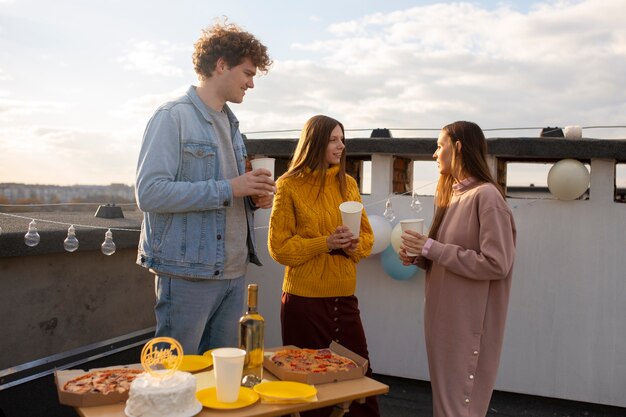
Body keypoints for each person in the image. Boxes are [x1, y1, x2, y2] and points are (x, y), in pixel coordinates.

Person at [135, 21, 275, 356]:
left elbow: (230, 191)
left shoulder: (231, 123)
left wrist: (253, 198)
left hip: (232, 273)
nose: (252, 83)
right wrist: (231, 187)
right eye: (247, 72)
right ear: (221, 65)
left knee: (219, 383)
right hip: (187, 276)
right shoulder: (171, 117)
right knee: (174, 378)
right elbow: (150, 193)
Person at [399, 121, 516, 417]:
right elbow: (447, 256)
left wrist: (431, 248)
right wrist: (419, 257)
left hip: (469, 328)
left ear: (459, 147)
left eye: (440, 145)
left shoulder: (487, 197)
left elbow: (497, 263)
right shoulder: (452, 195)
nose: (435, 153)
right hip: (443, 325)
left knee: (458, 410)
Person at [268, 115, 380, 417]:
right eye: (333, 139)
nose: (341, 145)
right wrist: (326, 243)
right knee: (311, 388)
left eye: (342, 139)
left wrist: (354, 245)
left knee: (360, 380)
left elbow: (368, 237)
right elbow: (279, 248)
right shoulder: (288, 185)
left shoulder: (349, 184)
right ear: (315, 142)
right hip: (303, 303)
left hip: (344, 298)